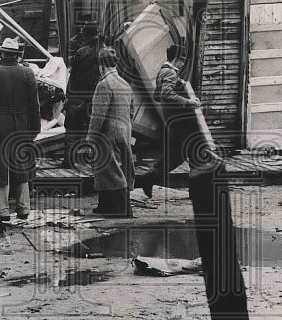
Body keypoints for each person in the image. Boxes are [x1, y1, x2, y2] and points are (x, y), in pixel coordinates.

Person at [0, 38, 41, 221]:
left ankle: (2, 210)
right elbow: (34, 106)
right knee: (21, 164)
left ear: (1, 54)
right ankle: (23, 208)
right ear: (17, 55)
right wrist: (35, 128)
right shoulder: (28, 74)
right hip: (21, 123)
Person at [141, 44, 201, 199]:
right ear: (177, 59)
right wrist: (188, 102)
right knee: (194, 150)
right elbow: (166, 93)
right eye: (181, 61)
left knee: (180, 153)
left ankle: (152, 176)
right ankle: (196, 191)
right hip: (179, 120)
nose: (182, 64)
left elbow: (157, 96)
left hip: (171, 120)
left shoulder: (162, 71)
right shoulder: (170, 73)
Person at [86, 47, 135, 217]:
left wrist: (90, 139)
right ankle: (105, 205)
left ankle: (123, 210)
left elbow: (98, 115)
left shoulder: (104, 84)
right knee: (110, 169)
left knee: (111, 170)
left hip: (108, 134)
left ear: (101, 65)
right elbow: (131, 111)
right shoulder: (125, 83)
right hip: (124, 131)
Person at [64, 24, 101, 168]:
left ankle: (68, 160)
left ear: (86, 35)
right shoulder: (105, 52)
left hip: (78, 97)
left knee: (72, 131)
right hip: (96, 98)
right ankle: (94, 161)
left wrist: (69, 96)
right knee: (95, 130)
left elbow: (73, 76)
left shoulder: (81, 52)